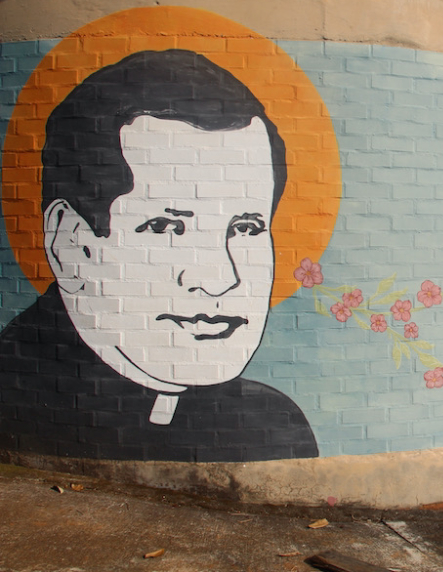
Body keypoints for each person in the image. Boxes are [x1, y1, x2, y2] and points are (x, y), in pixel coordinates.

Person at [0, 50, 318, 462]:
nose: (221, 278)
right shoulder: (14, 403)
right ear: (71, 245)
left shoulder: (271, 426)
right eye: (166, 227)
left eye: (245, 228)